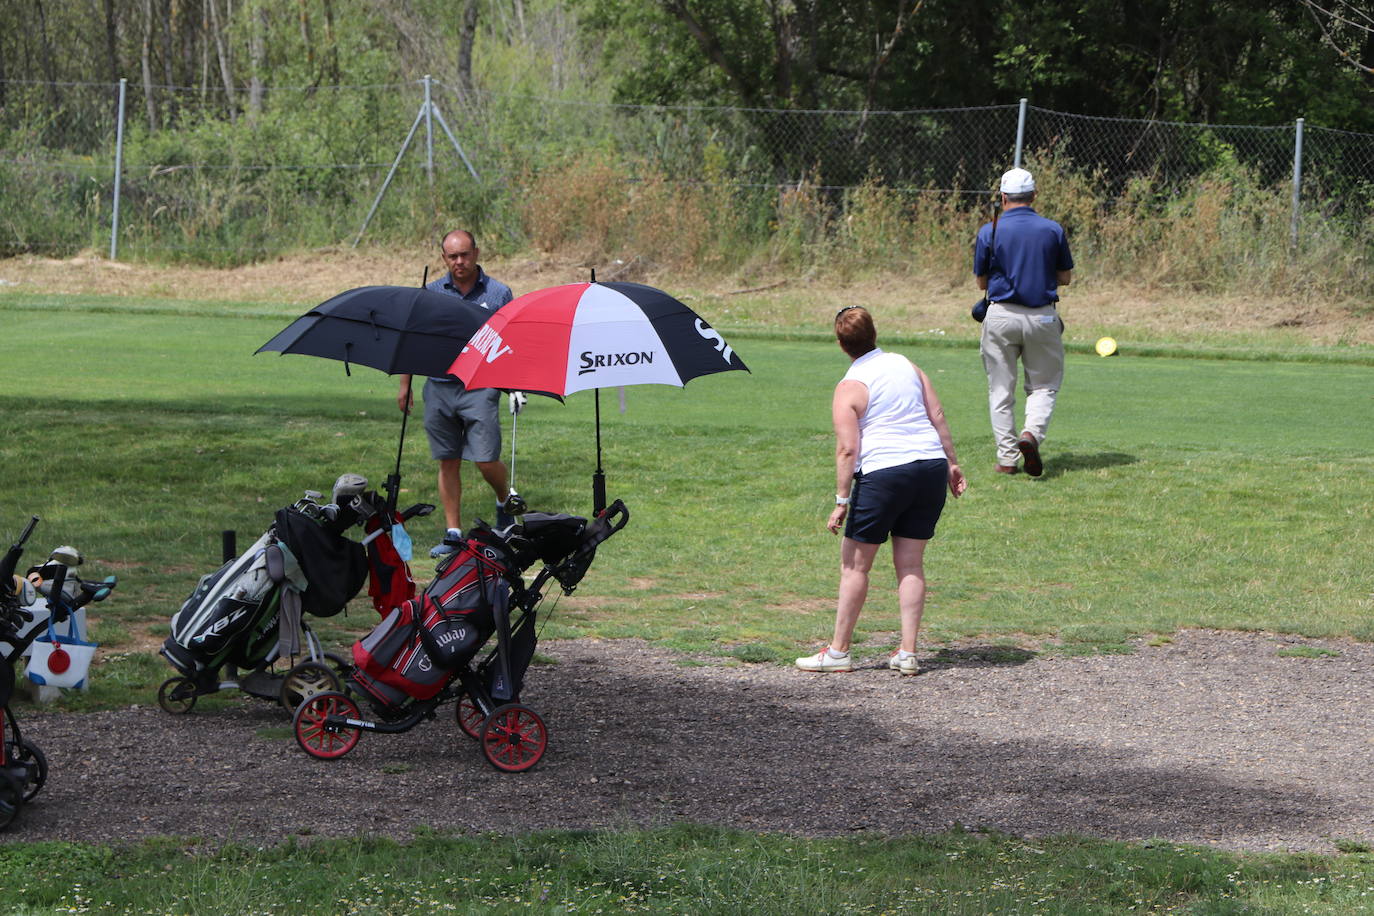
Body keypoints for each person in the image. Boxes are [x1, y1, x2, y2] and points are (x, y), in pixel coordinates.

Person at [796, 306, 967, 676]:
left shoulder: (849, 387)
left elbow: (847, 449)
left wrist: (842, 500)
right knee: (910, 564)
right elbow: (937, 415)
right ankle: (908, 652)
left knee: (855, 565)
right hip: (929, 468)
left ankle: (839, 652)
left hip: (884, 474)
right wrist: (952, 464)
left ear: (841, 344)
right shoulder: (907, 365)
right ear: (874, 333)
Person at [398, 229, 525, 558]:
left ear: (476, 253)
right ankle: (453, 533)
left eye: (464, 255)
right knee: (448, 460)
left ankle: (502, 499)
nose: (459, 262)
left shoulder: (498, 293)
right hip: (439, 386)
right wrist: (405, 385)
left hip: (481, 386)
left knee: (485, 460)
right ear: (444, 258)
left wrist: (514, 387)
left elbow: (508, 343)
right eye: (452, 256)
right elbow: (413, 341)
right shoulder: (431, 292)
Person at [972, 167, 1074, 477]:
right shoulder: (1052, 229)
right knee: (1043, 386)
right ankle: (1030, 435)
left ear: (1002, 197)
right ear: (1033, 196)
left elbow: (981, 282)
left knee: (1001, 390)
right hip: (1042, 314)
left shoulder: (990, 230)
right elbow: (1065, 277)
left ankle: (1007, 459)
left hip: (1001, 315)